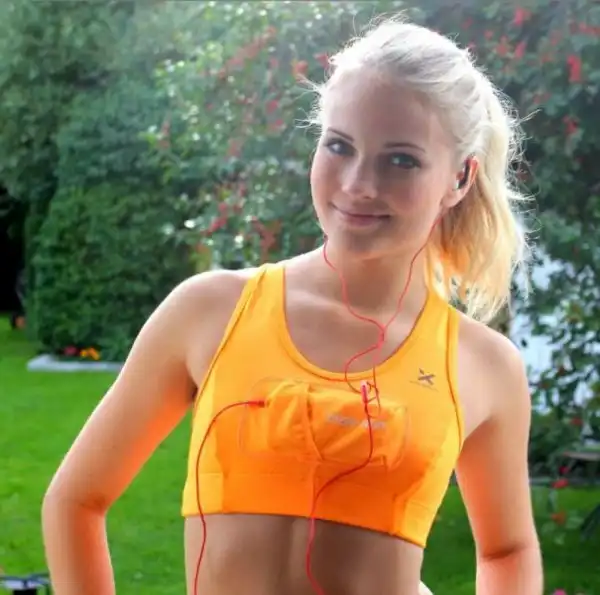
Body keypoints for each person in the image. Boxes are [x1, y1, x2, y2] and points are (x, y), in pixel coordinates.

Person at [41, 15, 543, 595]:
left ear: (459, 178)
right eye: (339, 145)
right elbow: (76, 500)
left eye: (401, 159)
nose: (358, 183)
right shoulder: (209, 311)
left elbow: (507, 550)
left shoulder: (484, 365)